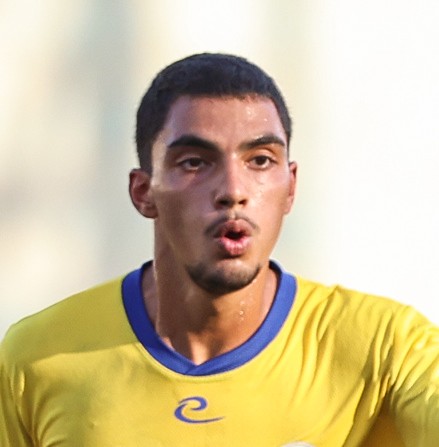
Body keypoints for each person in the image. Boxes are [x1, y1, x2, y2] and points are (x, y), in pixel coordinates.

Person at [1, 53, 438, 447]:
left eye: (260, 160)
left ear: (290, 188)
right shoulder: (33, 360)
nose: (232, 190)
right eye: (195, 162)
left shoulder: (386, 348)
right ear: (143, 192)